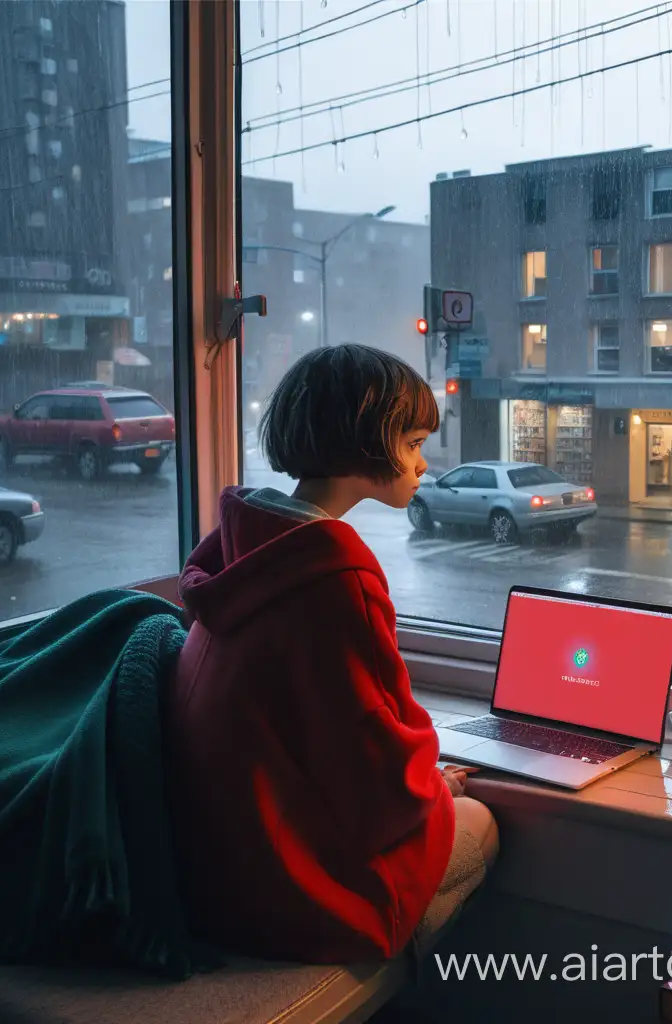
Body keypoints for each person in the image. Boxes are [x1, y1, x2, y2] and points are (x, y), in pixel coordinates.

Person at [165, 344, 498, 966]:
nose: (424, 464)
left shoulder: (240, 548)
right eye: (415, 441)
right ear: (370, 438)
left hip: (216, 867)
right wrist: (433, 791)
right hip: (289, 891)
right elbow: (377, 763)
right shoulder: (333, 574)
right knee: (481, 821)